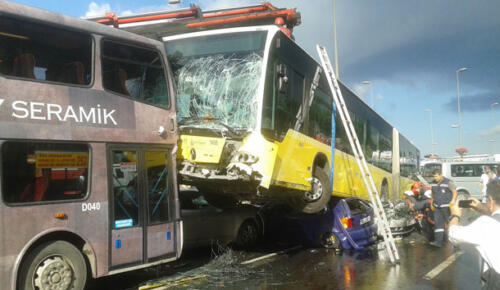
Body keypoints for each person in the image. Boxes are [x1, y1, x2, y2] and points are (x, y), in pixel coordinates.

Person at [448, 180, 500, 289]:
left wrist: (455, 215)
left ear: (490, 200)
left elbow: (453, 235)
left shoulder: (485, 224)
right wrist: (482, 208)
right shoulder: (489, 223)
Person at [430, 169, 457, 247]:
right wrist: (432, 202)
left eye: (436, 176)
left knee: (450, 224)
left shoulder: (448, 182)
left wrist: (453, 201)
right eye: (434, 176)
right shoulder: (433, 183)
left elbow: (454, 192)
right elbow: (432, 193)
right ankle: (438, 242)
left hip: (446, 207)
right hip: (437, 207)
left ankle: (455, 242)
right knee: (438, 225)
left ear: (441, 175)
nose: (435, 178)